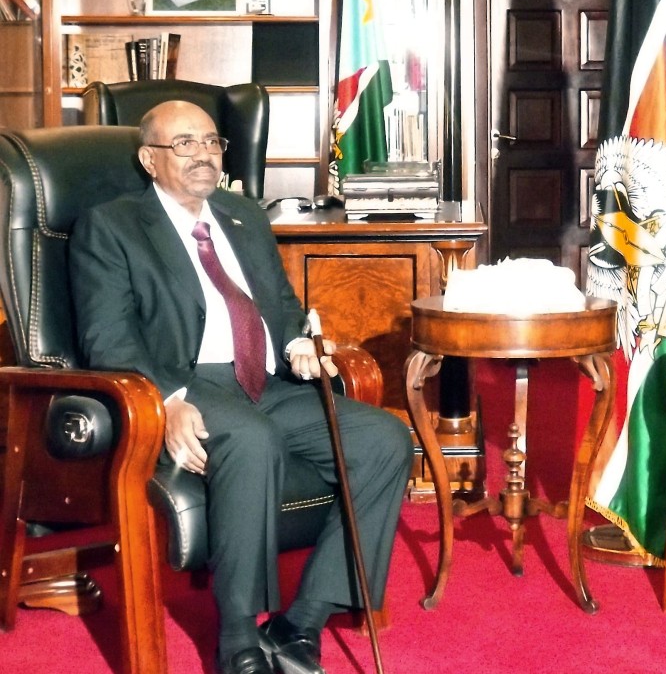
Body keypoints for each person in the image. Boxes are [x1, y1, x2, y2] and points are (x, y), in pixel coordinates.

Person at [69, 100, 413, 674]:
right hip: (187, 383)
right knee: (253, 440)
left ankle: (301, 622)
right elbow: (108, 337)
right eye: (184, 144)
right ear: (149, 159)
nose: (203, 155)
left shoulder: (242, 214)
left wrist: (296, 341)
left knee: (384, 440)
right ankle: (237, 640)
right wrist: (166, 401)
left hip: (265, 381)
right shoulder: (112, 226)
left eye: (212, 142)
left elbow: (279, 303)